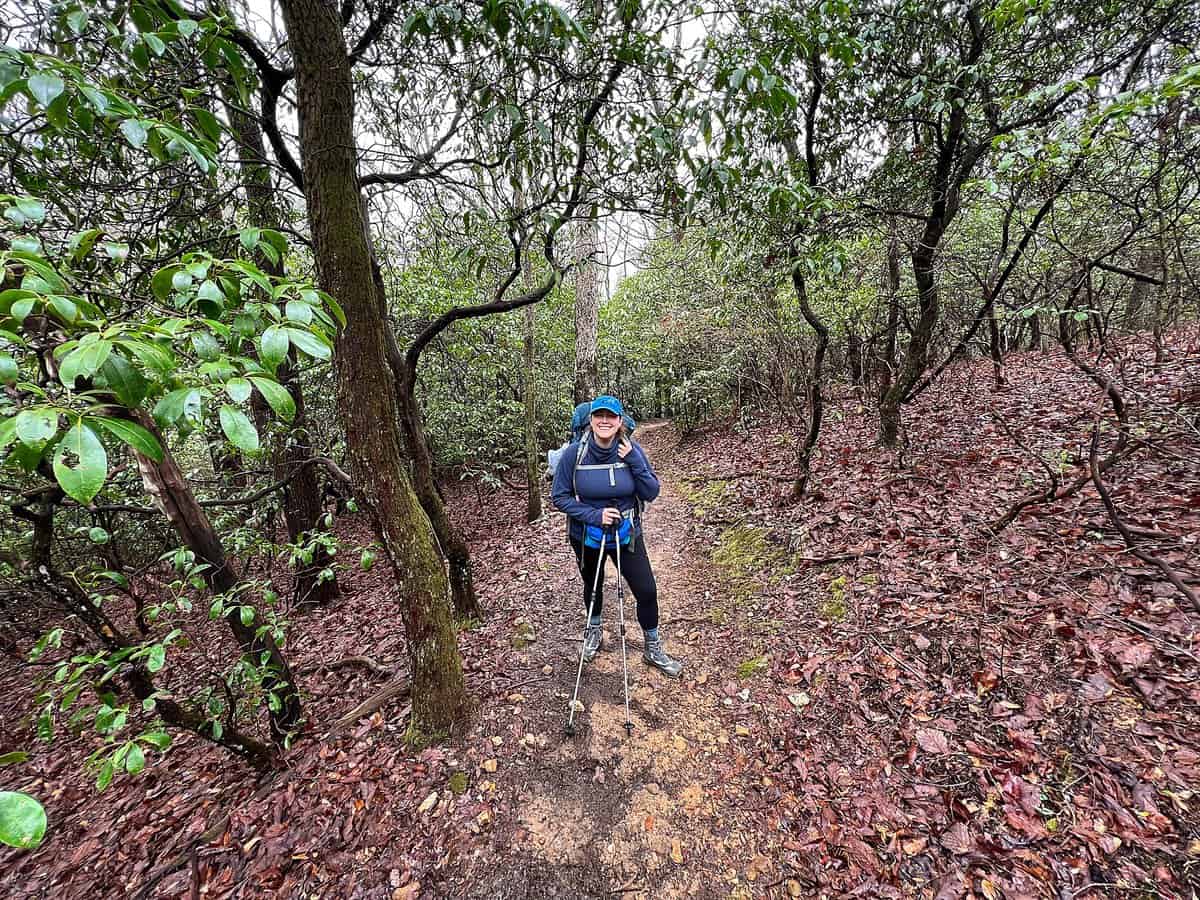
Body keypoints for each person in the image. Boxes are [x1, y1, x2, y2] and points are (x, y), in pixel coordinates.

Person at [551, 395, 683, 677]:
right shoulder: (574, 455)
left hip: (626, 534)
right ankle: (594, 631)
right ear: (591, 420)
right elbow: (559, 497)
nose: (604, 421)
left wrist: (634, 460)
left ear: (620, 421)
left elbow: (651, 491)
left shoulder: (631, 450)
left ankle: (652, 647)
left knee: (646, 590)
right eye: (599, 415)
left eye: (611, 416)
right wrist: (593, 515)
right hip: (586, 535)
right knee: (593, 585)